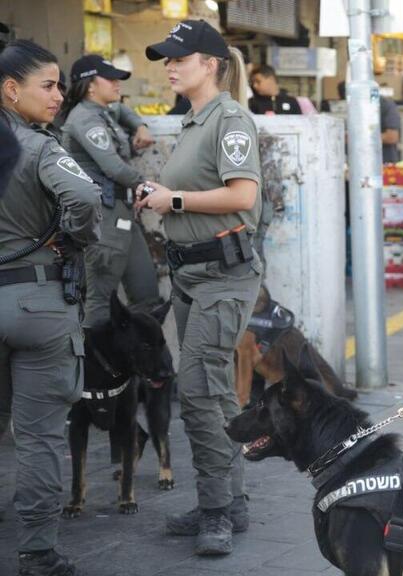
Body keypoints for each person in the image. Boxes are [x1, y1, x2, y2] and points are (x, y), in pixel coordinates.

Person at [140, 19, 263, 556]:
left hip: (222, 277)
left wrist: (176, 201)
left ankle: (215, 510)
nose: (170, 66)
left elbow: (242, 195)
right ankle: (229, 503)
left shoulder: (228, 119)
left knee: (194, 393)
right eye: (165, 59)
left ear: (210, 63)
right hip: (192, 275)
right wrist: (161, 195)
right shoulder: (193, 122)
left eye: (179, 58)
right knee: (211, 393)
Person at [0, 39, 102, 576]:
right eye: (48, 84)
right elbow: (84, 199)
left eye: (61, 84)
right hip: (38, 301)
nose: (59, 95)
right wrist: (72, 237)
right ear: (10, 89)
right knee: (38, 436)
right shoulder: (39, 148)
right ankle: (37, 552)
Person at [61, 54, 161, 328]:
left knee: (147, 295)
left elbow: (123, 111)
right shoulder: (84, 118)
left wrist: (140, 125)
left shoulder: (103, 111)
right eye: (111, 78)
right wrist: (147, 186)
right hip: (104, 218)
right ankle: (97, 369)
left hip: (123, 215)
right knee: (99, 302)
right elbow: (113, 167)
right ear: (90, 85)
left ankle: (139, 364)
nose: (118, 84)